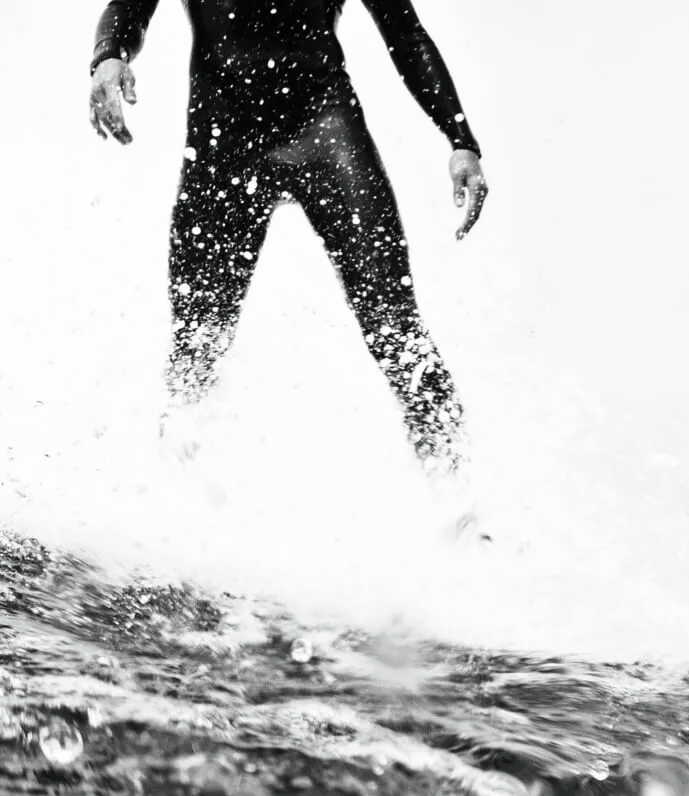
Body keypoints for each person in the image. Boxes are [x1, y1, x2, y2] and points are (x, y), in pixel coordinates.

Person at [89, 1, 488, 480]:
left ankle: (460, 495)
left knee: (394, 323)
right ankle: (179, 496)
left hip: (325, 127)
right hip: (226, 139)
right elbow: (130, 6)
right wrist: (110, 55)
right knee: (198, 340)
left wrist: (460, 139)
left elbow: (405, 33)